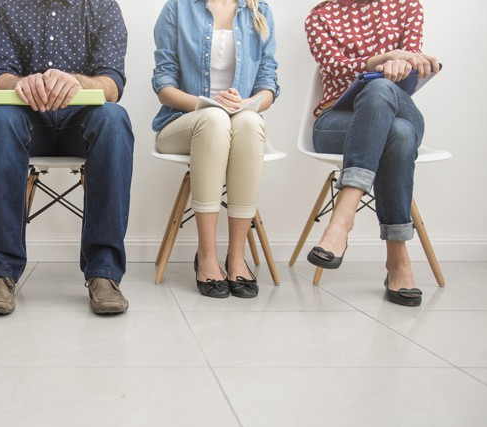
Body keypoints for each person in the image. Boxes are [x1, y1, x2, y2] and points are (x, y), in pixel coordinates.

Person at [0, 0, 134, 315]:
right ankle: (0, 274)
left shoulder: (102, 5)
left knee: (115, 118)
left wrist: (78, 81)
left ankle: (104, 272)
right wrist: (21, 82)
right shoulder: (6, 4)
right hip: (28, 119)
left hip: (82, 123)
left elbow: (112, 84)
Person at [304, 0, 440, 306]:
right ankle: (398, 257)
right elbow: (334, 67)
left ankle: (343, 217)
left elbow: (411, 62)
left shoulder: (407, 6)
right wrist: (383, 59)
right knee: (398, 134)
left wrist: (410, 63)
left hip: (398, 106)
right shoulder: (321, 17)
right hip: (336, 122)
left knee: (380, 90)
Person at [152, 0, 279, 298]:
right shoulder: (178, 8)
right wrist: (208, 105)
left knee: (249, 121)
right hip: (182, 122)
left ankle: (236, 257)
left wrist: (245, 104)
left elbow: (268, 84)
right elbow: (164, 85)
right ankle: (207, 256)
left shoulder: (259, 10)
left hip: (238, 124)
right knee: (214, 119)